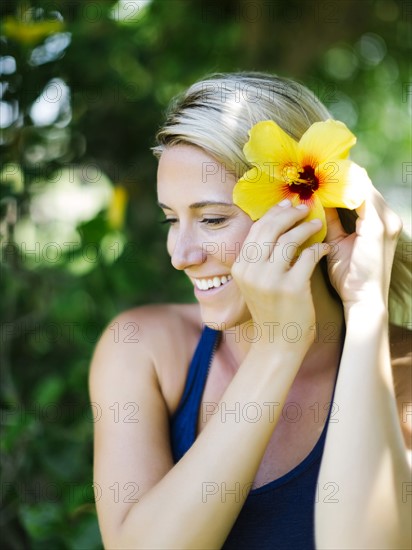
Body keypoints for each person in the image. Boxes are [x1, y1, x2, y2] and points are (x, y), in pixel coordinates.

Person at [89, 73, 411, 549]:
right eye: (171, 220)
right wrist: (278, 348)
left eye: (213, 219)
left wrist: (365, 308)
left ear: (312, 213)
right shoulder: (142, 347)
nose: (181, 254)